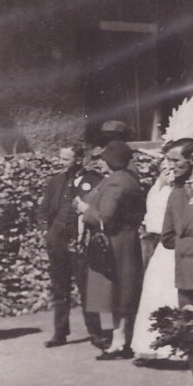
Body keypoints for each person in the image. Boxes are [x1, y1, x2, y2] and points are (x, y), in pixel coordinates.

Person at [74, 140, 145, 360]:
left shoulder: (116, 183)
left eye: (104, 160)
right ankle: (121, 340)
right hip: (125, 242)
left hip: (115, 244)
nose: (101, 165)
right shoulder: (129, 180)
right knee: (123, 294)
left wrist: (84, 209)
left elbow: (105, 217)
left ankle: (120, 342)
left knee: (118, 294)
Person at [37, 144, 105, 348]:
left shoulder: (95, 180)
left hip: (81, 243)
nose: (61, 162)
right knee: (60, 289)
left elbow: (99, 210)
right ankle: (60, 333)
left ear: (79, 159)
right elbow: (43, 210)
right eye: (61, 158)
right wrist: (46, 232)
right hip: (57, 242)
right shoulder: (56, 181)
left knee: (87, 288)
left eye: (66, 159)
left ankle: (96, 333)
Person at [160, 137, 193, 386]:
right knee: (192, 336)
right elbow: (166, 237)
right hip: (186, 276)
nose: (171, 165)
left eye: (176, 160)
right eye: (169, 160)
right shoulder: (176, 192)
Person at [130, 160, 180, 365]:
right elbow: (152, 219)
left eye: (172, 168)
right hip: (160, 245)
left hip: (172, 246)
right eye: (164, 169)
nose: (169, 172)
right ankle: (151, 346)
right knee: (154, 291)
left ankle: (175, 349)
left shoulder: (179, 190)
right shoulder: (155, 190)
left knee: (171, 292)